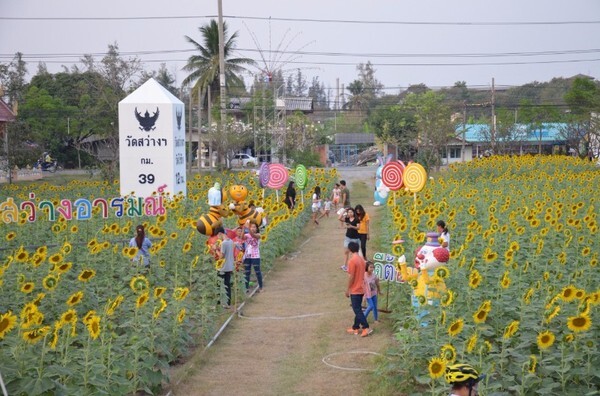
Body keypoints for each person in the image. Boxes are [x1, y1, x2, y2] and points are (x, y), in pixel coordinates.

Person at [345, 242, 372, 337]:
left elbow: (351, 276)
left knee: (357, 310)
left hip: (355, 289)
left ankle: (366, 327)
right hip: (361, 287)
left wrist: (348, 289)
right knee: (358, 308)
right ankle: (355, 327)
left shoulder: (352, 261)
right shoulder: (361, 260)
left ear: (350, 249)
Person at [215, 227, 234, 308]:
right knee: (227, 284)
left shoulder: (224, 243)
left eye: (218, 236)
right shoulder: (230, 241)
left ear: (220, 233)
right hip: (229, 266)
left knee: (219, 284)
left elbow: (221, 257)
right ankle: (228, 302)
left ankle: (219, 303)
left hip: (222, 267)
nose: (218, 238)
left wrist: (216, 250)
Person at [242, 221, 263, 292]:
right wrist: (243, 228)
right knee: (247, 272)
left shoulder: (258, 235)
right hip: (248, 255)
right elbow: (242, 237)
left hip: (256, 256)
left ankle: (261, 287)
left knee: (257, 272)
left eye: (254, 227)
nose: (253, 228)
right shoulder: (247, 235)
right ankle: (246, 288)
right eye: (251, 227)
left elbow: (253, 235)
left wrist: (248, 228)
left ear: (257, 229)